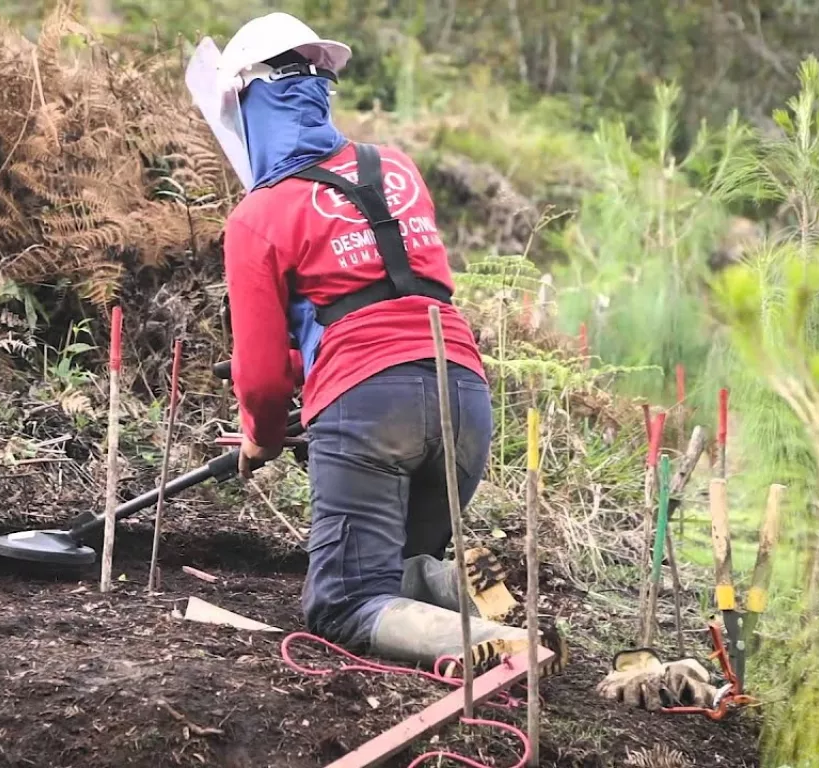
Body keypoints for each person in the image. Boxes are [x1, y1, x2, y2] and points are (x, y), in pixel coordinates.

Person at [210, 12, 568, 675]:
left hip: (372, 411)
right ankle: (482, 610)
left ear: (252, 107)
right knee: (398, 573)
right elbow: (383, 292)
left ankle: (496, 646)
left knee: (345, 602)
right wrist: (310, 380)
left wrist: (261, 433)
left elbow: (259, 378)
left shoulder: (259, 215)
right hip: (463, 397)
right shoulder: (394, 169)